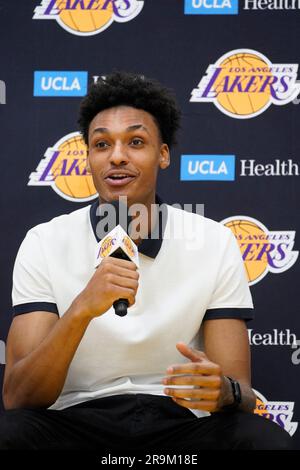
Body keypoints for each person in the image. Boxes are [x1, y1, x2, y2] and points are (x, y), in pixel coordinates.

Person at [0, 71, 292, 452]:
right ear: (88, 157)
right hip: (75, 422)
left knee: (262, 440)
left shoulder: (213, 241)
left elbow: (243, 394)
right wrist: (81, 310)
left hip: (179, 424)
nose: (117, 156)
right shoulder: (44, 242)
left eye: (136, 142)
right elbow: (18, 398)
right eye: (101, 144)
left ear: (164, 154)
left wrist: (222, 391)